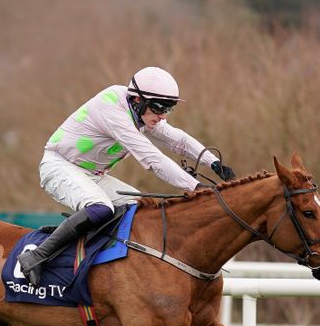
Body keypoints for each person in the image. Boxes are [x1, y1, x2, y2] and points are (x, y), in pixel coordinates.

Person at [18, 66, 235, 287]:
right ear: (137, 100)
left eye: (169, 109)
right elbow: (152, 159)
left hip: (93, 174)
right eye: (159, 108)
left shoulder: (141, 112)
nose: (162, 116)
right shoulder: (112, 108)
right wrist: (195, 186)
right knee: (100, 208)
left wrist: (213, 162)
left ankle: (106, 268)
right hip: (58, 165)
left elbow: (176, 139)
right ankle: (36, 257)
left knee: (140, 210)